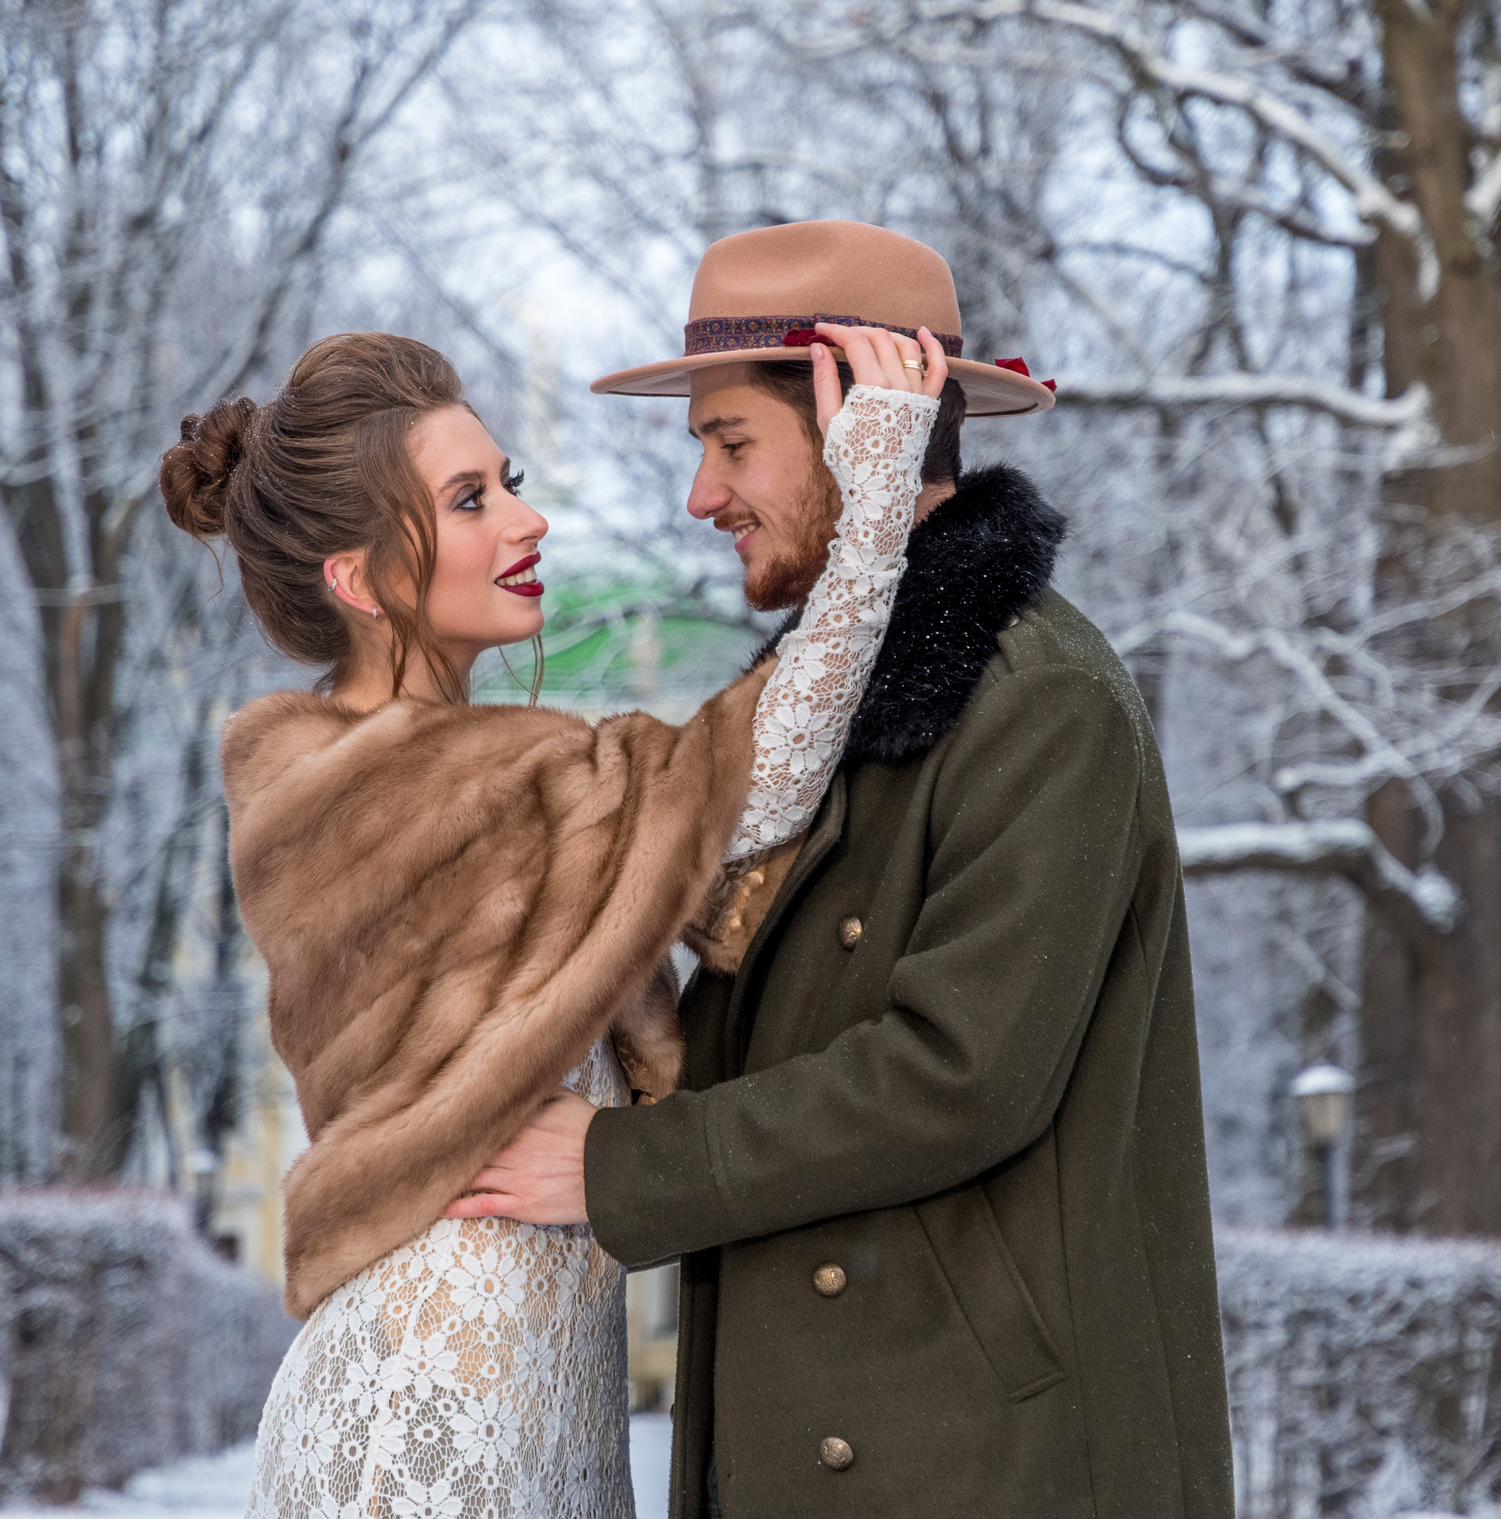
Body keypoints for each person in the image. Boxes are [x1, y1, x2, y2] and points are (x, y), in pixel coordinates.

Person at [456, 222, 1236, 1519]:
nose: (701, 498)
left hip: (983, 1463)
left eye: (731, 442)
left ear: (860, 421)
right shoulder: (800, 706)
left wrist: (616, 1169)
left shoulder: (1039, 695)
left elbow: (963, 1074)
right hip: (801, 1442)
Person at [156, 324, 943, 1519]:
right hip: (426, 1416)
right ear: (360, 580)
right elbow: (753, 780)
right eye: (469, 499)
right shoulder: (380, 795)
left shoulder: (466, 776)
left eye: (509, 483)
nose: (525, 520)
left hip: (535, 1396)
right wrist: (875, 494)